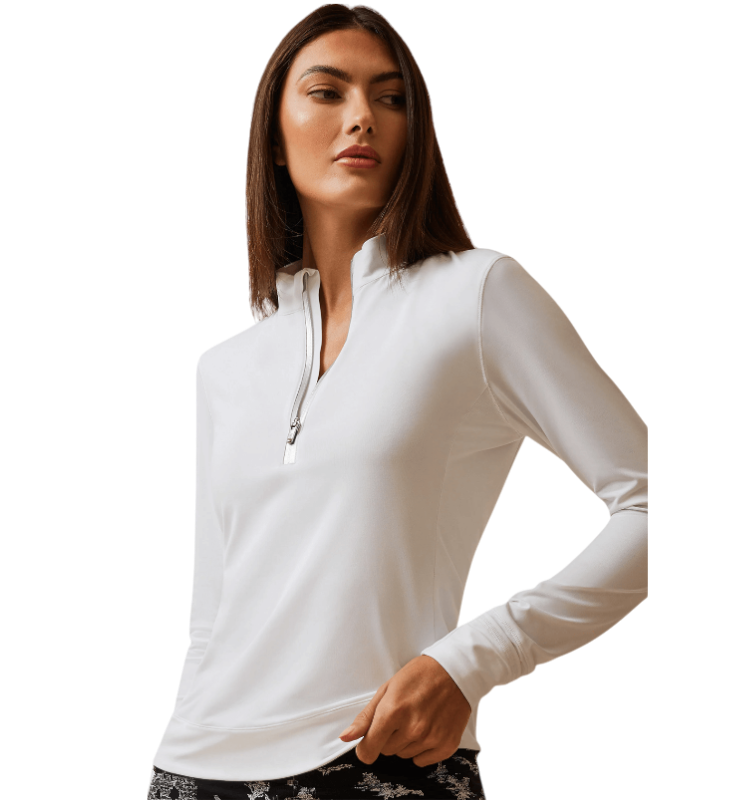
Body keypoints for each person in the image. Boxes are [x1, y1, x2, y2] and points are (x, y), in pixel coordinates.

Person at [148, 4, 647, 798]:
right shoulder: (225, 367)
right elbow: (210, 617)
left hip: (379, 759)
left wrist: (475, 659)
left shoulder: (477, 294)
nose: (362, 118)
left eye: (390, 98)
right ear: (272, 138)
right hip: (192, 770)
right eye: (327, 92)